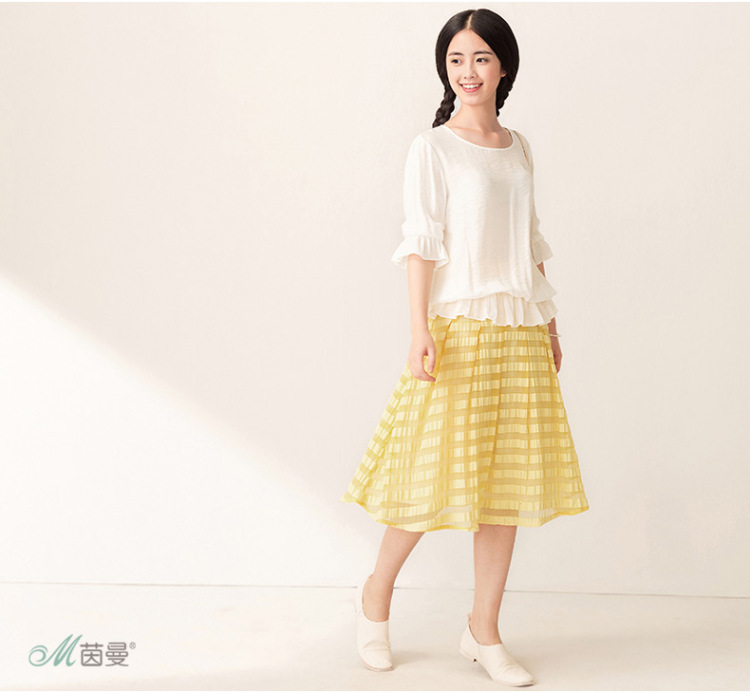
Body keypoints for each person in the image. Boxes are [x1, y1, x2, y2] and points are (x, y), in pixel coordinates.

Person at [339, 7, 590, 686]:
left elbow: (529, 241)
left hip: (520, 327)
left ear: (503, 66)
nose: (467, 71)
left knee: (505, 487)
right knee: (427, 477)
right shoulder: (433, 148)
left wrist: (549, 322)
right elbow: (422, 243)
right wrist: (419, 329)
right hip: (459, 328)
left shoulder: (518, 145)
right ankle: (375, 594)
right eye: (455, 59)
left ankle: (484, 630)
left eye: (480, 57)